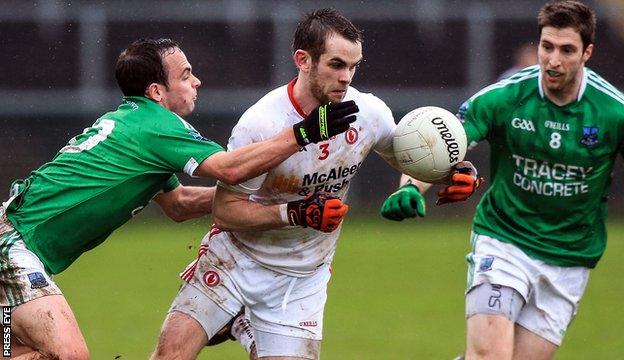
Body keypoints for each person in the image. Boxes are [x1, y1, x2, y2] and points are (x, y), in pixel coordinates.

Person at [151, 9, 480, 360]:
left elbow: (412, 158)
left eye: (353, 67)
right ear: (303, 60)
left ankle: (243, 323)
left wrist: (453, 174)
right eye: (336, 65)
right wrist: (296, 213)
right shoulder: (262, 123)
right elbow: (226, 211)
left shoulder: (367, 113)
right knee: (170, 354)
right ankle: (237, 317)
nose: (346, 78)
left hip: (302, 278)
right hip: (235, 261)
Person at [0, 38, 358, 359]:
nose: (196, 82)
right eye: (186, 75)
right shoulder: (158, 125)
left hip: (12, 244)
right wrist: (305, 132)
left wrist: (263, 198)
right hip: (12, 247)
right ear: (157, 91)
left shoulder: (133, 127)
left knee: (15, 349)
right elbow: (230, 170)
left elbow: (180, 205)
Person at [382, 1, 624, 359]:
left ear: (587, 52)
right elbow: (440, 141)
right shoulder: (506, 96)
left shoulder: (612, 111)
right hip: (504, 241)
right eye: (547, 47)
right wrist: (410, 186)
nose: (553, 60)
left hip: (569, 259)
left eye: (567, 50)